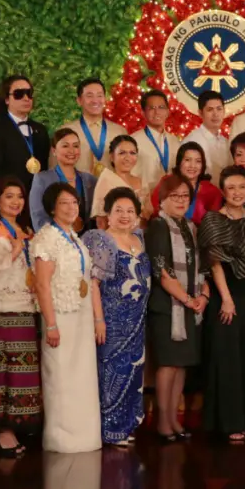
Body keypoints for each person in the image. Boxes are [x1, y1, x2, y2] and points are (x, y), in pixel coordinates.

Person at [198, 167, 245, 442]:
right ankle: (229, 423)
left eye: (242, 187)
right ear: (223, 191)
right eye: (231, 188)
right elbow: (215, 264)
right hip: (227, 295)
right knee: (228, 359)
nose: (237, 193)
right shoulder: (213, 219)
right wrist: (226, 299)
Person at [31, 183, 103, 453]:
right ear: (52, 208)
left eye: (74, 202)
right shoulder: (46, 238)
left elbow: (87, 280)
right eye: (64, 203)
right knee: (60, 375)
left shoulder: (75, 237)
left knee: (81, 376)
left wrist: (97, 318)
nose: (71, 207)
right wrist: (50, 323)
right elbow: (42, 284)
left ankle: (85, 437)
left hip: (80, 316)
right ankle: (61, 438)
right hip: (60, 316)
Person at [83, 187, 151, 446]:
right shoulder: (101, 240)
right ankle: (110, 429)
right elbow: (93, 284)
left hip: (138, 320)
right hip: (112, 320)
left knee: (133, 370)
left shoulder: (139, 238)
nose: (125, 215)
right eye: (119, 210)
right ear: (108, 214)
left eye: (130, 211)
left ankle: (127, 425)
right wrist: (99, 320)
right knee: (111, 370)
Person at [0, 177, 41, 458]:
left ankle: (19, 423)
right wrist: (15, 250)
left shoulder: (25, 230)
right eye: (9, 196)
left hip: (25, 308)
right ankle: (2, 429)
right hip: (1, 309)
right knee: (2, 370)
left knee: (22, 370)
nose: (16, 202)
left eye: (20, 196)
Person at [146, 175, 209, 441]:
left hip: (189, 305)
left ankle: (174, 419)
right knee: (168, 364)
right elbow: (162, 270)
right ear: (162, 199)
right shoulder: (158, 225)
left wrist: (202, 297)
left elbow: (202, 268)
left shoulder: (191, 227)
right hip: (166, 306)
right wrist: (186, 299)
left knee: (181, 365)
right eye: (175, 196)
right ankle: (163, 422)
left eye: (185, 196)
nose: (181, 201)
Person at [0, 75, 51, 203]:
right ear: (7, 99)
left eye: (29, 93)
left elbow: (46, 167)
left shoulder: (40, 130)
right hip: (11, 201)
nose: (26, 98)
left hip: (40, 199)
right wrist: (13, 195)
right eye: (19, 94)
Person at [29, 128, 98, 232]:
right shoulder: (42, 179)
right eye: (65, 146)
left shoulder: (90, 180)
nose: (71, 151)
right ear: (54, 151)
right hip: (54, 239)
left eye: (75, 146)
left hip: (86, 239)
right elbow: (38, 218)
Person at [57, 78, 128, 176]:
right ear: (79, 100)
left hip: (112, 185)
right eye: (89, 96)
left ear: (105, 99)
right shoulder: (65, 131)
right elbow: (55, 169)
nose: (95, 100)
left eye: (99, 95)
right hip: (76, 185)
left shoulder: (119, 131)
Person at [149, 142, 224, 226]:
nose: (192, 166)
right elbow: (153, 212)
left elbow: (215, 224)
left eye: (198, 161)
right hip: (165, 230)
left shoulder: (212, 191)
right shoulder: (167, 182)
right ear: (179, 162)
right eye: (187, 160)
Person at [92, 135, 153, 228]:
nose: (128, 158)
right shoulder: (107, 180)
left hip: (143, 234)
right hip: (116, 235)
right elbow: (101, 222)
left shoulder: (141, 182)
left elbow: (148, 215)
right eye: (122, 153)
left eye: (132, 153)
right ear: (112, 157)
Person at [131, 89, 182, 189]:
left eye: (161, 107)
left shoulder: (175, 142)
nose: (157, 112)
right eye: (151, 108)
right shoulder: (133, 141)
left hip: (171, 196)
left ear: (167, 112)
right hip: (144, 196)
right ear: (143, 113)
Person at [184, 90, 232, 181]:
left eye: (219, 109)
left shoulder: (225, 142)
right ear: (200, 113)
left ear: (224, 111)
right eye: (210, 110)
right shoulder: (192, 141)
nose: (215, 114)